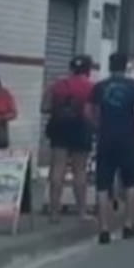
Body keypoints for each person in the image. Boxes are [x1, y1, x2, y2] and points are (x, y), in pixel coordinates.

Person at [90, 52, 134, 245]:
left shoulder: (100, 87)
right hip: (128, 139)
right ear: (125, 67)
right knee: (131, 183)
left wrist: (98, 127)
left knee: (103, 184)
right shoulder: (133, 87)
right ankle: (129, 224)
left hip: (105, 139)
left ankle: (104, 229)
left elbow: (90, 112)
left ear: (109, 65)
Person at [42, 55, 94, 222]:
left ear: (71, 68)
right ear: (88, 70)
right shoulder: (91, 87)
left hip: (59, 128)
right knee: (80, 170)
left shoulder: (57, 85)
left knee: (57, 169)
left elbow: (44, 108)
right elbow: (91, 112)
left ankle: (54, 212)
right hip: (81, 128)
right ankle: (81, 212)